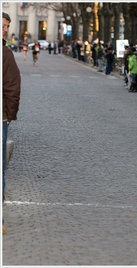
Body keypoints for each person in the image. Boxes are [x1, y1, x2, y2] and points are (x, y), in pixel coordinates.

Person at [2, 11, 22, 235]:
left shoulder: (5, 53)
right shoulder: (5, 54)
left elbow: (12, 87)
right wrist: (9, 115)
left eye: (7, 26)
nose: (5, 29)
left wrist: (8, 116)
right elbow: (12, 88)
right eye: (3, 25)